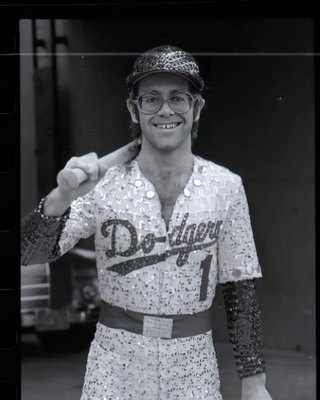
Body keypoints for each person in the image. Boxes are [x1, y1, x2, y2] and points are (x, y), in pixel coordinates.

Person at [21, 45, 272, 400]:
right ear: (134, 109)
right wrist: (62, 196)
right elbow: (28, 254)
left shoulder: (225, 186)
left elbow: (240, 289)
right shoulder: (103, 184)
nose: (165, 110)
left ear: (197, 107)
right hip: (114, 365)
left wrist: (255, 383)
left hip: (193, 368)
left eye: (178, 97)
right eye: (151, 99)